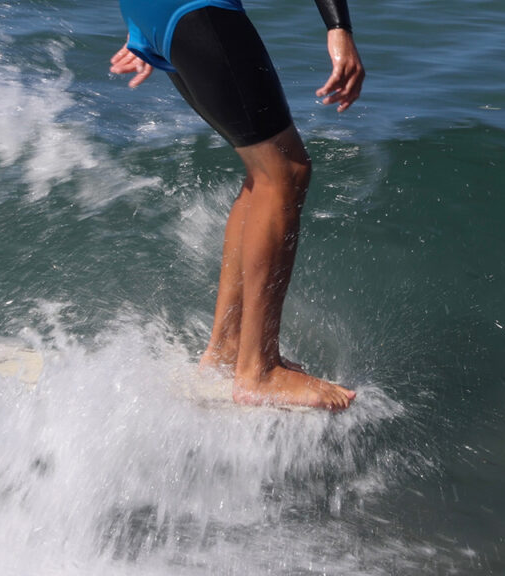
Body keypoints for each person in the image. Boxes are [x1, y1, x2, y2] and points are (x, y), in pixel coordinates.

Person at [110, 0, 364, 411]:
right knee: (285, 171)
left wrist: (141, 21)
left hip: (156, 11)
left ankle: (228, 348)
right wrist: (339, 27)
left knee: (264, 170)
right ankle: (258, 372)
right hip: (194, 8)